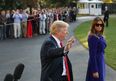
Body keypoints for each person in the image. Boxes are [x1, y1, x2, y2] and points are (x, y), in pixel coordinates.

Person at [86, 17, 107, 81]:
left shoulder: (100, 36)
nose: (99, 26)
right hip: (96, 62)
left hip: (101, 60)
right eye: (97, 25)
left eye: (101, 25)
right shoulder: (93, 38)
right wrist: (95, 70)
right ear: (93, 26)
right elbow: (92, 55)